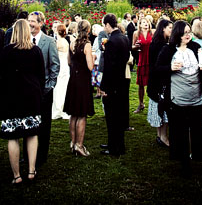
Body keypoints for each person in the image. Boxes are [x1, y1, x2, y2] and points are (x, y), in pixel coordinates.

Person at [0, 19, 45, 184]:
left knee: (13, 137)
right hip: (31, 97)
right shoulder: (36, 51)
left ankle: (17, 175)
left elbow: (0, 76)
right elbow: (41, 76)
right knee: (32, 134)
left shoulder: (5, 52)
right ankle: (31, 171)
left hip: (11, 98)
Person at [161, 20, 202, 173]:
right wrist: (169, 68)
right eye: (184, 33)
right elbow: (157, 69)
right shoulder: (168, 50)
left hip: (196, 98)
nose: (188, 35)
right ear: (178, 34)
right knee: (179, 131)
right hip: (177, 99)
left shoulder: (196, 47)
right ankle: (183, 160)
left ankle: (200, 156)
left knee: (198, 130)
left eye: (189, 32)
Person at [27, 11, 59, 166]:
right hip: (27, 91)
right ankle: (27, 155)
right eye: (28, 21)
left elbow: (55, 66)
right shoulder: (24, 39)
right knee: (28, 122)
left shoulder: (49, 41)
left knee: (44, 125)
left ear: (41, 23)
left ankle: (41, 156)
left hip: (44, 90)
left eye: (33, 21)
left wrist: (49, 86)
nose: (30, 24)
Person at [98, 13, 130, 156]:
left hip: (112, 84)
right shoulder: (124, 38)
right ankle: (117, 144)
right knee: (118, 116)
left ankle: (114, 147)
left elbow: (109, 68)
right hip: (122, 81)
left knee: (112, 118)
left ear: (107, 25)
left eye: (104, 25)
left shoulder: (112, 41)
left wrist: (103, 88)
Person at [64, 19, 96, 157]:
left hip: (73, 80)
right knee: (82, 114)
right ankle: (79, 145)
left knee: (73, 114)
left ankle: (72, 142)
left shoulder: (72, 43)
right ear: (88, 31)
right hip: (83, 81)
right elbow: (90, 66)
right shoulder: (87, 45)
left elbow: (69, 61)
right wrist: (93, 57)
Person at [147, 18, 173, 147]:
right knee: (162, 109)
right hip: (159, 82)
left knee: (159, 109)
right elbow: (158, 66)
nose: (172, 31)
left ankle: (160, 135)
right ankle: (163, 136)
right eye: (170, 28)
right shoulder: (161, 45)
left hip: (155, 81)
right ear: (163, 28)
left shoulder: (156, 43)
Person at [132, 17, 154, 113]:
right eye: (143, 22)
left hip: (151, 60)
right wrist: (136, 46)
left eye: (147, 22)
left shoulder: (152, 32)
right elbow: (132, 46)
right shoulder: (136, 33)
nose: (146, 24)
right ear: (140, 24)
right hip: (142, 60)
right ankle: (141, 104)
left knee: (152, 83)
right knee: (141, 84)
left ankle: (153, 103)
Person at [51, 23, 71, 120]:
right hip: (65, 66)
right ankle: (62, 109)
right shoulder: (66, 42)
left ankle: (58, 110)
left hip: (60, 65)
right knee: (64, 87)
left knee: (58, 88)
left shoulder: (58, 42)